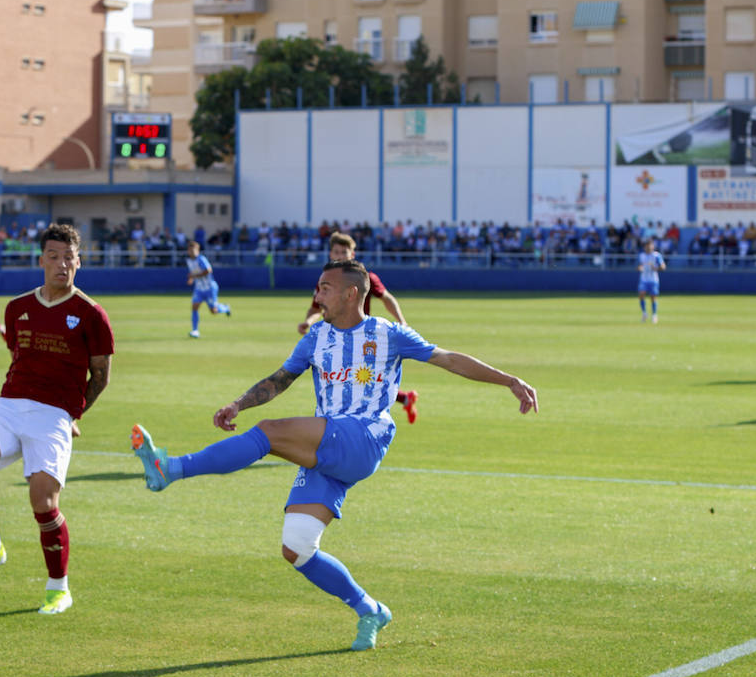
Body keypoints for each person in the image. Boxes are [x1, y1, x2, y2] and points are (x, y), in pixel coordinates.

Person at [129, 259, 537, 650]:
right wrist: (238, 404)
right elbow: (279, 379)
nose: (316, 294)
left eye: (324, 287)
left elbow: (448, 358)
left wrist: (510, 380)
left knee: (270, 433)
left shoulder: (387, 332)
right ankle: (370, 610)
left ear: (350, 293)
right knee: (297, 546)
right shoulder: (315, 338)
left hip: (364, 435)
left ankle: (171, 468)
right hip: (328, 444)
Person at [0, 223, 115, 615]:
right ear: (42, 260)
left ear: (79, 261)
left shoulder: (91, 314)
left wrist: (73, 413)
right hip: (11, 403)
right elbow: (18, 357)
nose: (62, 265)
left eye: (69, 258)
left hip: (53, 415)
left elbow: (101, 377)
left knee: (42, 501)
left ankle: (58, 587)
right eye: (54, 257)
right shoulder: (17, 307)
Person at [298, 231, 419, 424]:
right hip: (334, 337)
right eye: (336, 252)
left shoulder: (366, 278)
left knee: (356, 378)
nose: (340, 256)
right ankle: (403, 398)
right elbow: (315, 308)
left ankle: (349, 419)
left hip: (362, 338)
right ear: (330, 255)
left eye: (344, 252)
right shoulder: (325, 282)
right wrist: (308, 322)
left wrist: (401, 321)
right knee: (356, 378)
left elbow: (386, 298)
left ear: (352, 255)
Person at [186, 240, 231, 338]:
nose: (191, 252)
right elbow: (193, 273)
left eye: (193, 250)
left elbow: (208, 270)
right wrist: (191, 278)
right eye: (189, 250)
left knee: (213, 311)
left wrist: (195, 276)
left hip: (209, 288)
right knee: (194, 307)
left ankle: (226, 308)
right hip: (199, 289)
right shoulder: (189, 261)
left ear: (197, 250)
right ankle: (195, 330)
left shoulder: (201, 259)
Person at [636, 238, 665, 323]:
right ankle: (644, 313)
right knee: (641, 294)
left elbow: (663, 267)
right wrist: (639, 268)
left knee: (653, 297)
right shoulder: (641, 255)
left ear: (653, 246)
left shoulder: (656, 255)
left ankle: (654, 315)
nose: (648, 247)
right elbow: (639, 266)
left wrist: (656, 268)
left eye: (650, 245)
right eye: (646, 245)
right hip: (643, 279)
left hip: (653, 279)